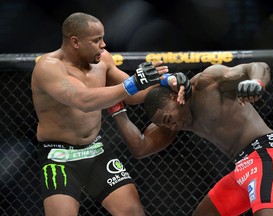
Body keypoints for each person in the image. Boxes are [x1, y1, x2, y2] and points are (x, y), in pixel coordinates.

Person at [30, 11, 183, 216]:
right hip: (59, 156)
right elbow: (83, 100)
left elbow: (131, 94)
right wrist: (133, 83)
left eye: (102, 38)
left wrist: (166, 82)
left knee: (133, 211)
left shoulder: (102, 60)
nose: (103, 45)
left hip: (96, 150)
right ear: (75, 41)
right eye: (96, 40)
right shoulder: (48, 67)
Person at [108, 62, 273, 216]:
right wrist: (117, 110)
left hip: (268, 155)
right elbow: (140, 148)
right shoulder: (175, 123)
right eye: (165, 125)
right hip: (243, 167)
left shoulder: (207, 84)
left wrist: (256, 83)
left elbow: (258, 66)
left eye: (168, 119)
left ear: (174, 97)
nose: (171, 126)